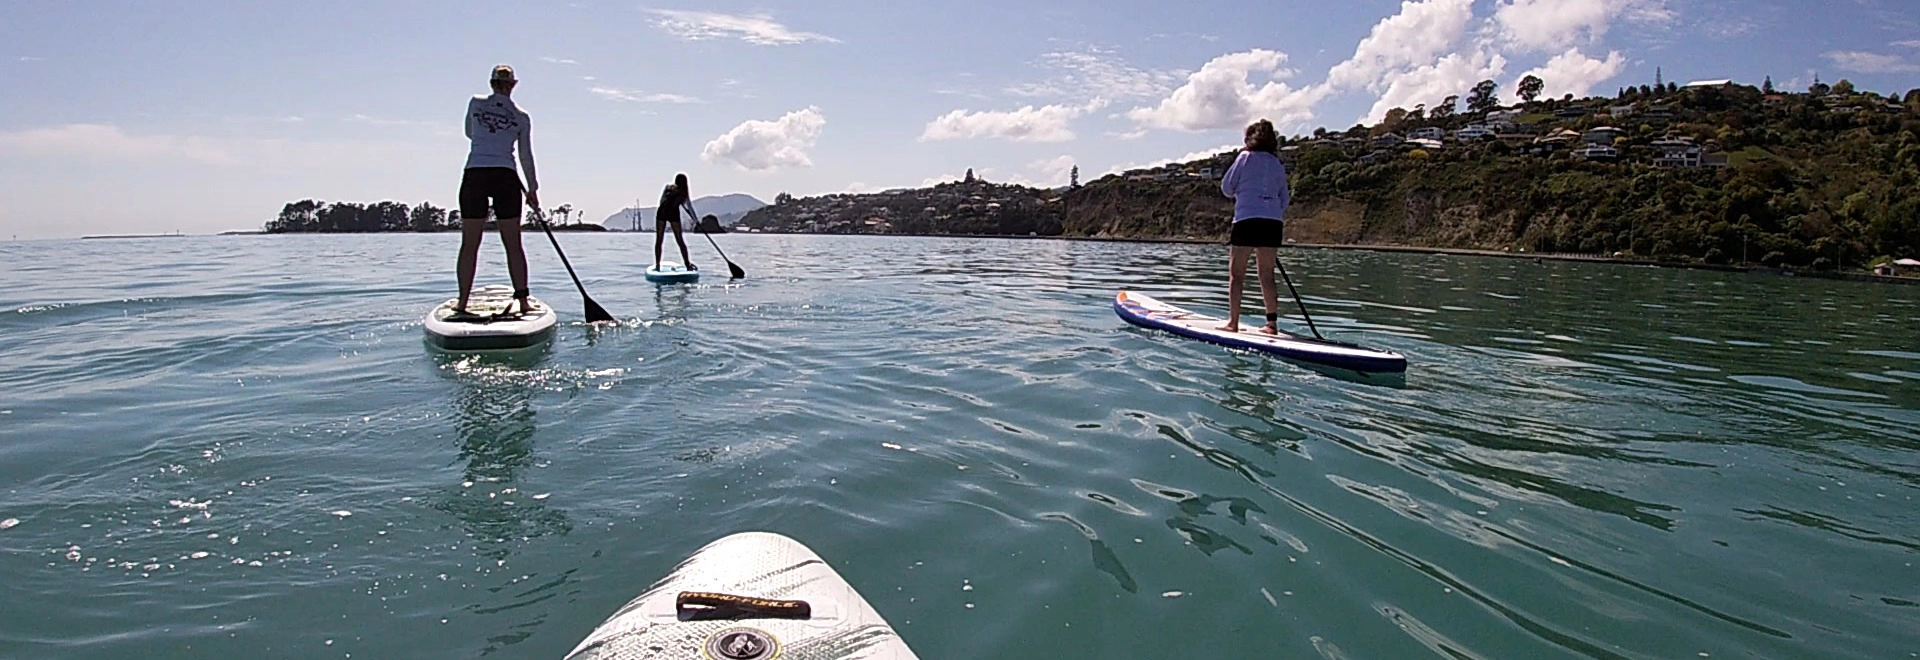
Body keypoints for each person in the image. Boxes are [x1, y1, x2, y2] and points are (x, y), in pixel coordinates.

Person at [453, 64, 539, 316]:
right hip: (506, 176)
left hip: (476, 173)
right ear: (513, 85)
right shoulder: (522, 116)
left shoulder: (475, 103)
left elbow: (469, 133)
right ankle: (523, 300)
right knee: (513, 243)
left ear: (492, 83)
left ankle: (462, 302)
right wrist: (532, 188)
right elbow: (525, 155)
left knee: (470, 243)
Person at [1218, 118, 1290, 334]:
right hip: (1272, 222)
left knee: (1237, 274)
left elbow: (1226, 187)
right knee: (1266, 275)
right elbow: (1284, 200)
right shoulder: (1277, 165)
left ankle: (1233, 323)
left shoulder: (1244, 158)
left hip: (1247, 220)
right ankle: (1271, 324)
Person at [653, 173, 696, 270]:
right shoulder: (683, 193)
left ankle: (657, 265)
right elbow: (689, 206)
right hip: (673, 213)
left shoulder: (668, 187)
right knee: (680, 240)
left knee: (659, 240)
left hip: (662, 211)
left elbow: (661, 201)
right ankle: (687, 265)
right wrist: (696, 221)